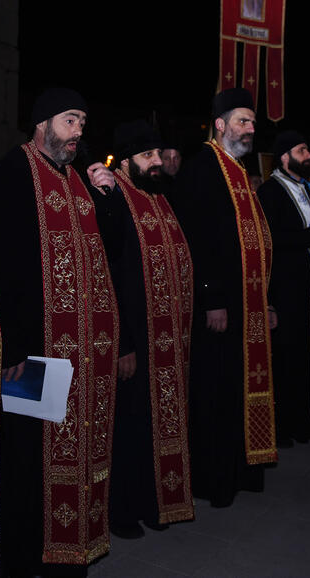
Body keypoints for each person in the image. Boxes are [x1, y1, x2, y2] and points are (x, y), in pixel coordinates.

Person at [0, 88, 119, 575]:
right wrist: (10, 343)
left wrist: (109, 197)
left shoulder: (77, 179)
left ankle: (68, 548)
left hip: (79, 356)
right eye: (70, 120)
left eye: (82, 122)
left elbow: (107, 254)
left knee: (69, 449)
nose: (79, 131)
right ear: (41, 123)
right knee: (27, 457)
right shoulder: (9, 176)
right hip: (30, 354)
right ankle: (23, 556)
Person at [169, 88, 277, 508]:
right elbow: (196, 239)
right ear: (219, 124)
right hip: (217, 308)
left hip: (246, 307)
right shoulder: (203, 169)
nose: (250, 129)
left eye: (252, 123)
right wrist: (211, 296)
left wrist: (265, 301)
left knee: (236, 390)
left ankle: (238, 470)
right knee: (214, 393)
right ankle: (214, 480)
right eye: (242, 121)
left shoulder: (239, 171)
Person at [88, 120, 194, 539]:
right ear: (127, 160)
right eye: (147, 156)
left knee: (157, 426)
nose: (157, 162)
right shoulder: (113, 197)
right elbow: (106, 274)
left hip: (167, 343)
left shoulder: (159, 196)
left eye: (158, 155)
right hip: (132, 339)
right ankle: (122, 511)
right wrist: (122, 344)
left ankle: (157, 502)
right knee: (128, 430)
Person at [257, 131, 310, 445]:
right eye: (301, 150)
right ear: (284, 157)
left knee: (309, 353)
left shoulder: (306, 189)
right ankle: (286, 428)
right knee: (288, 359)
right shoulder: (270, 191)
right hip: (288, 290)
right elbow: (270, 240)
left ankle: (308, 420)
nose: (308, 155)